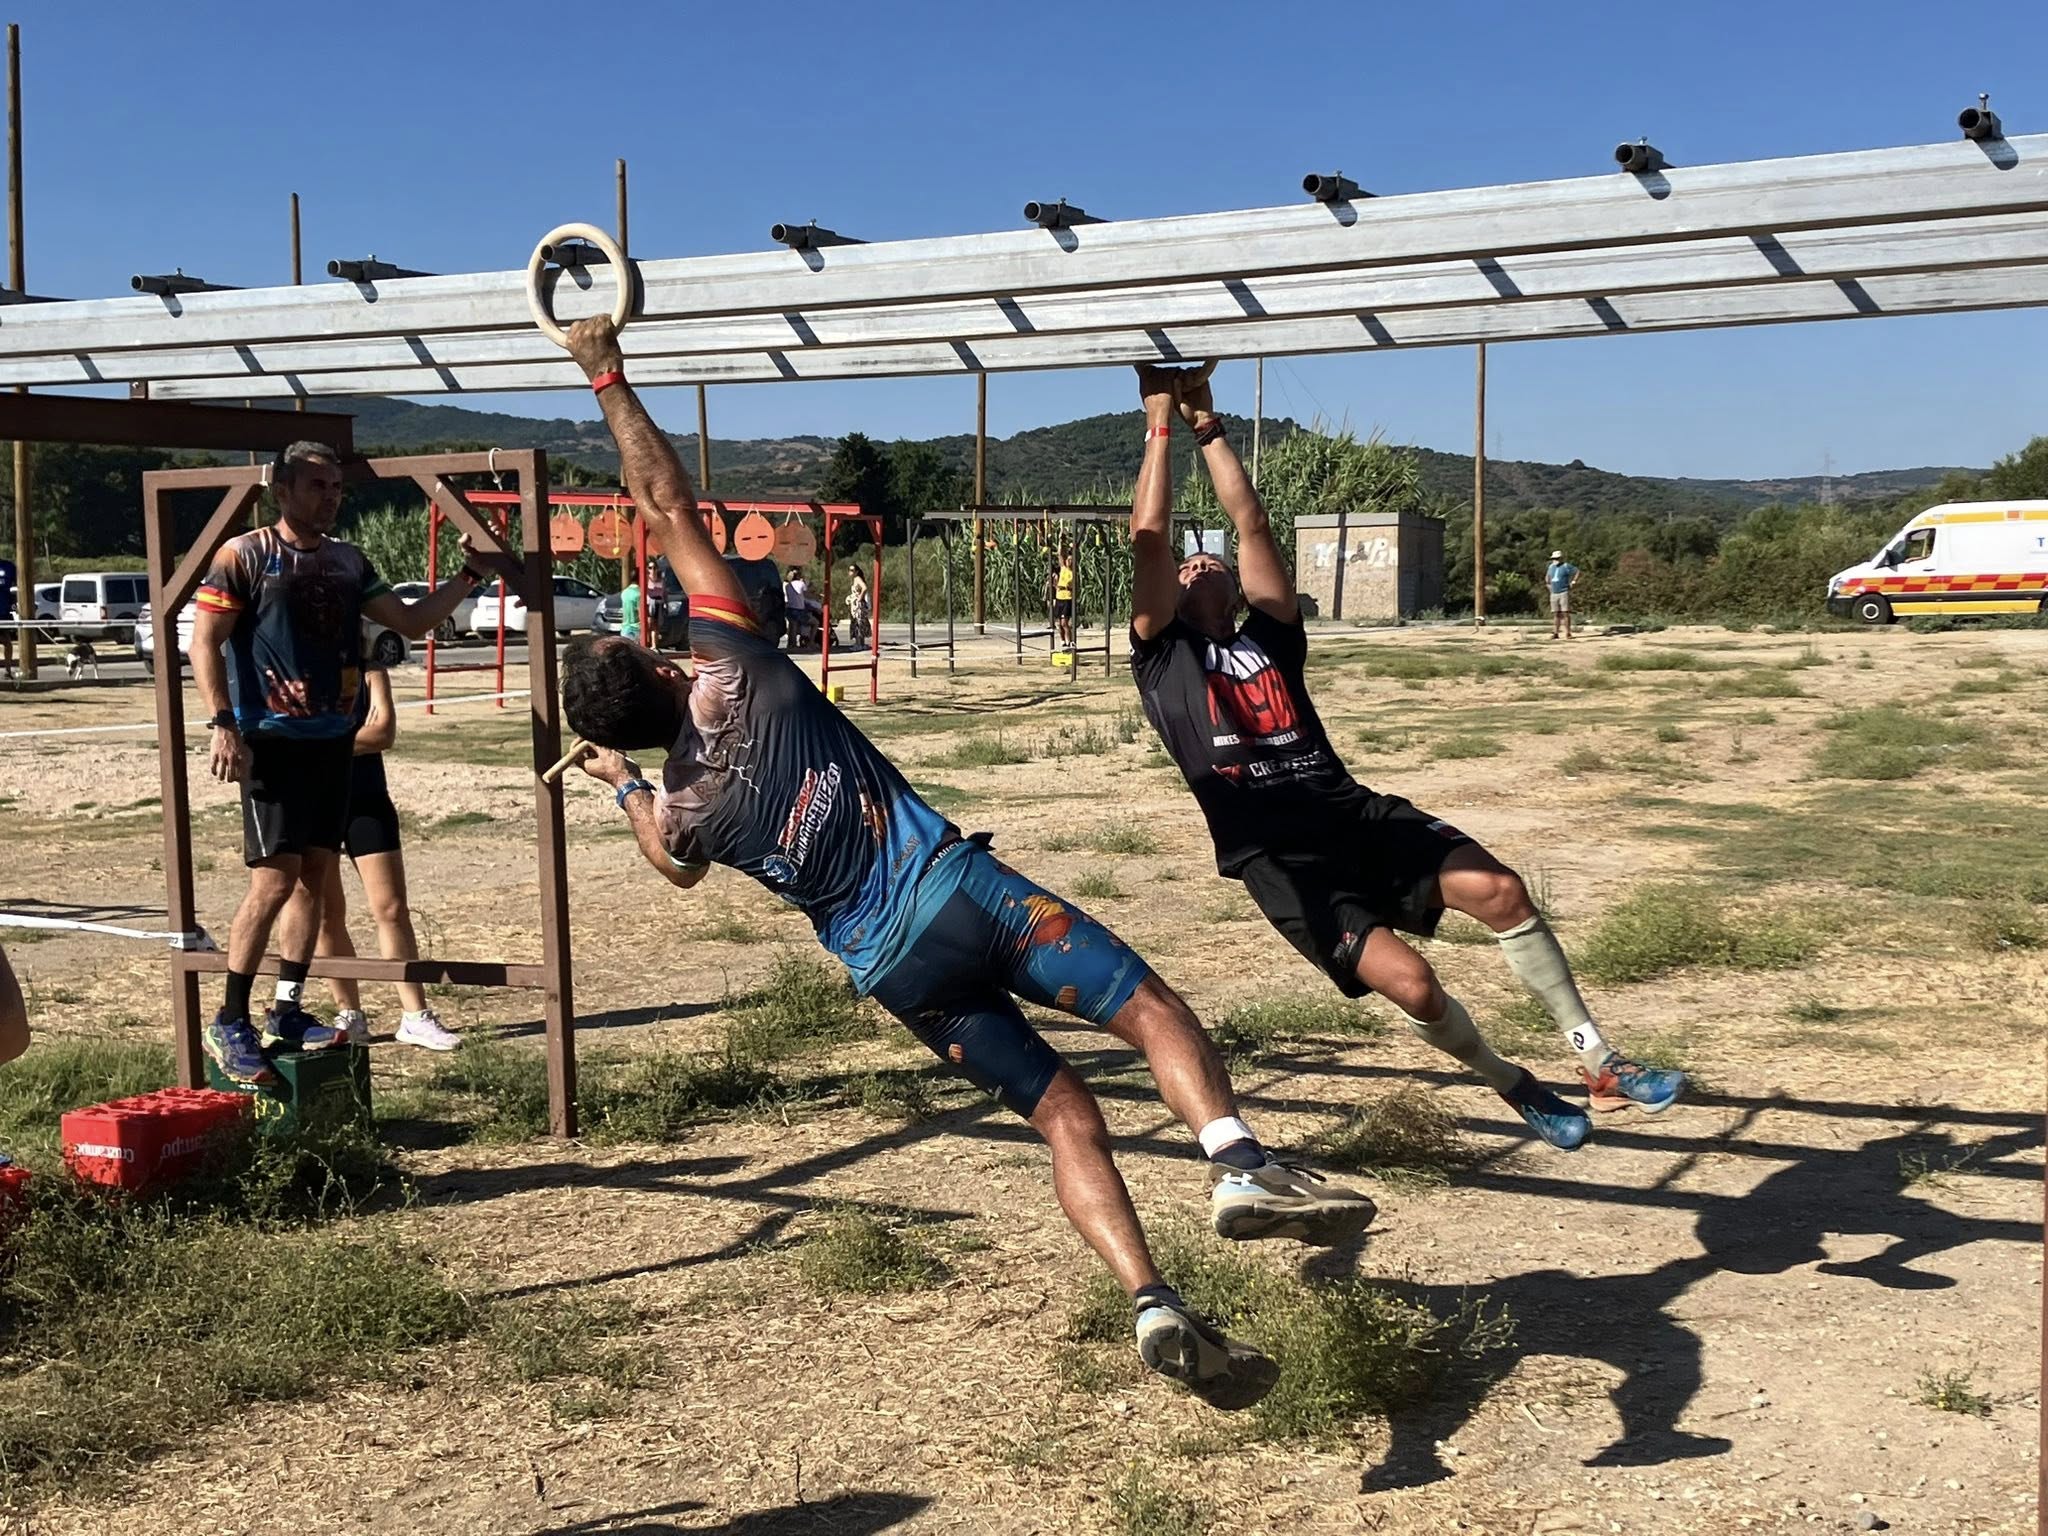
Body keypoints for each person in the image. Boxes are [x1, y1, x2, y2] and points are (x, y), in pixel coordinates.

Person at [555, 315, 1377, 1412]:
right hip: (960, 894)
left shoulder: (688, 808)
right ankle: (1234, 1163)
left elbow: (673, 864)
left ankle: (1149, 1301)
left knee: (1063, 1118)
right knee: (1150, 1011)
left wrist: (622, 785)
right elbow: (663, 504)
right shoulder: (736, 667)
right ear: (661, 665)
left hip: (895, 971)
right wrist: (604, 371)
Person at [1125, 365, 1683, 1142]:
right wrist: (1158, 421)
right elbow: (1149, 540)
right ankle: (1513, 1083)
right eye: (1186, 570)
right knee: (1415, 986)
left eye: (1208, 563)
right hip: (1280, 859)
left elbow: (1250, 525)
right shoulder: (1162, 657)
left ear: (1238, 591)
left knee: (1501, 891)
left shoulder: (1273, 638)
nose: (1197, 566)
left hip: (1354, 815)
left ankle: (1600, 1062)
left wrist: (1207, 426)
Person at [190, 441, 491, 1085]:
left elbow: (410, 622)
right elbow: (204, 643)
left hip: (334, 744)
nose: (330, 497)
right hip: (271, 741)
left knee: (314, 879)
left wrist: (469, 577)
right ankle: (230, 1019)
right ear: (283, 490)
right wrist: (223, 724)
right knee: (272, 883)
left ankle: (287, 1009)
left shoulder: (350, 561)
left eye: (336, 488)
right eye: (317, 486)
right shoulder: (244, 555)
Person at [308, 643, 461, 1051]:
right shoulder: (297, 668)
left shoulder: (370, 671)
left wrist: (316, 744)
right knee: (326, 915)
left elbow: (383, 732)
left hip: (366, 800)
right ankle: (350, 1014)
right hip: (315, 803)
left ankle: (415, 1015)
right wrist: (345, 739)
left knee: (391, 908)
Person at [1546, 549, 1580, 640]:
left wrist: (1573, 581)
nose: (1555, 560)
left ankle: (1568, 632)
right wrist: (1548, 585)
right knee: (1555, 613)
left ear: (1561, 558)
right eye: (1554, 558)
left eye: (1557, 558)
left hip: (1563, 591)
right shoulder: (1551, 567)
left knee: (1565, 612)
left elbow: (1577, 571)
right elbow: (1547, 577)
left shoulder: (1566, 566)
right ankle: (1555, 632)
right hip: (1554, 592)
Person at [1052, 550, 1076, 649]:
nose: (1069, 562)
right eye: (1068, 560)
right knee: (1059, 623)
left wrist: (1064, 587)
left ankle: (1070, 641)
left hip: (1067, 598)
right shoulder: (1063, 568)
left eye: (1071, 560)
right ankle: (1062, 641)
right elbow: (1060, 554)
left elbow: (1072, 586)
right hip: (1059, 598)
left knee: (1064, 623)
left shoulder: (1073, 573)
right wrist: (1061, 542)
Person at [846, 566, 872, 647]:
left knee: (858, 623)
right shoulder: (855, 579)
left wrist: (860, 598)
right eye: (849, 570)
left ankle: (859, 644)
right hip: (856, 604)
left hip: (858, 605)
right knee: (859, 622)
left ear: (856, 571)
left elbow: (864, 587)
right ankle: (860, 643)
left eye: (852, 570)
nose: (850, 572)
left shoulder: (857, 579)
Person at [618, 577, 642, 643]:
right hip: (636, 628)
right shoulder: (639, 593)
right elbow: (641, 612)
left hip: (625, 627)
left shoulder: (624, 592)